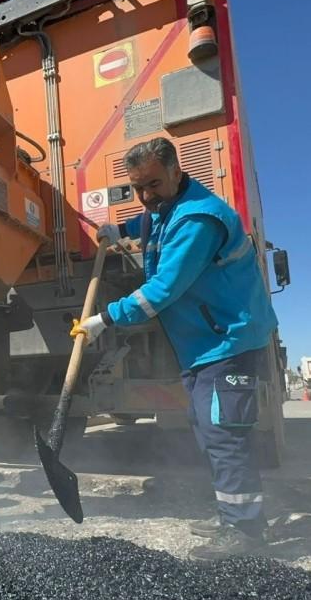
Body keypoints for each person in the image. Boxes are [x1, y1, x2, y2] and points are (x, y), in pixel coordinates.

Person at [72, 137, 279, 560]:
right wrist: (119, 230)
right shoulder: (167, 210)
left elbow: (161, 291)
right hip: (204, 344)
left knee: (225, 434)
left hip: (229, 340)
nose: (146, 195)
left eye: (153, 183)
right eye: (137, 187)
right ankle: (231, 515)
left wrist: (103, 320)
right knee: (207, 430)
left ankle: (247, 533)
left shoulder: (199, 220)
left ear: (176, 173)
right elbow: (150, 222)